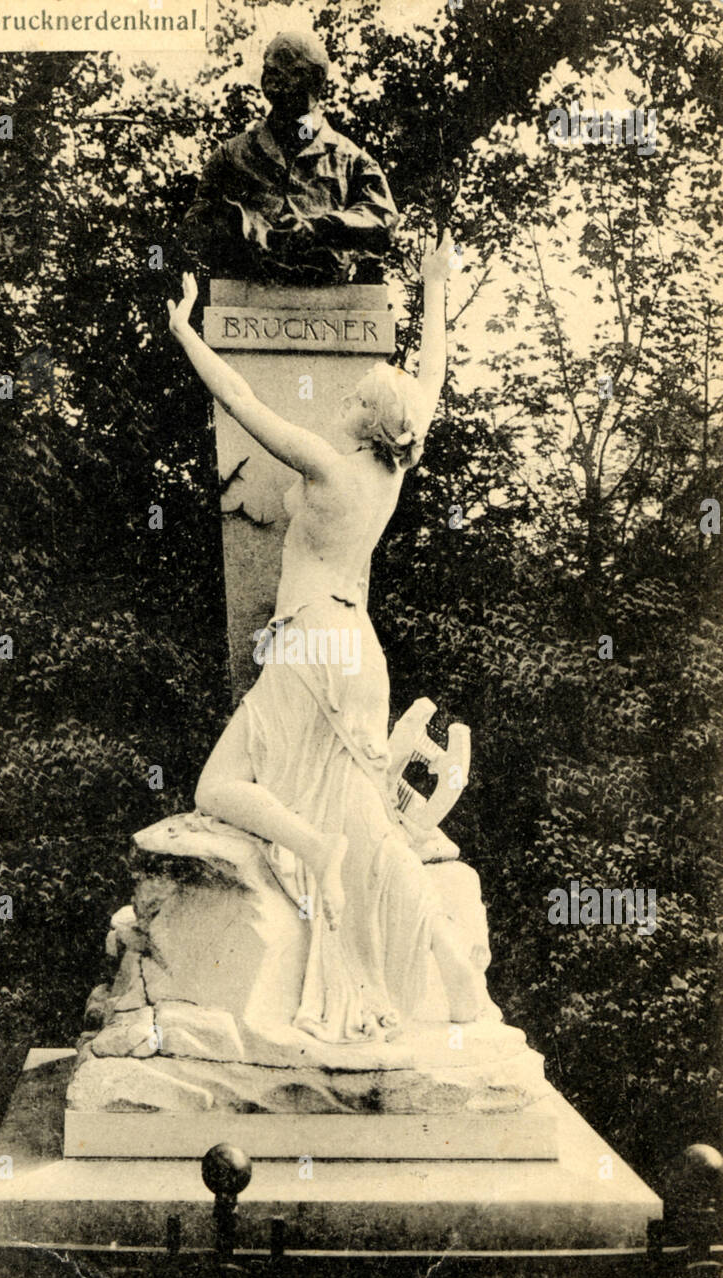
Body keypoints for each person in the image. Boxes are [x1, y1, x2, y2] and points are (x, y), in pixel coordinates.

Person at [167, 234, 483, 1044]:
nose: (342, 398)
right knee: (369, 822)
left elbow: (239, 398)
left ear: (365, 416)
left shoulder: (326, 466)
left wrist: (186, 331)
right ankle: (448, 963)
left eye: (355, 395)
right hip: (358, 651)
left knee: (217, 786)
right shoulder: (389, 473)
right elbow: (434, 376)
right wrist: (434, 288)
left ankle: (309, 843)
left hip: (310, 643)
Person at [182, 30, 398, 285]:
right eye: (267, 61)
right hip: (247, 292)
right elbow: (195, 226)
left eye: (285, 60)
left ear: (315, 76)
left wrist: (320, 229)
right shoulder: (231, 155)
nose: (271, 66)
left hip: (328, 294)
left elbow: (384, 220)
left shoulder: (351, 159)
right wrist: (243, 224)